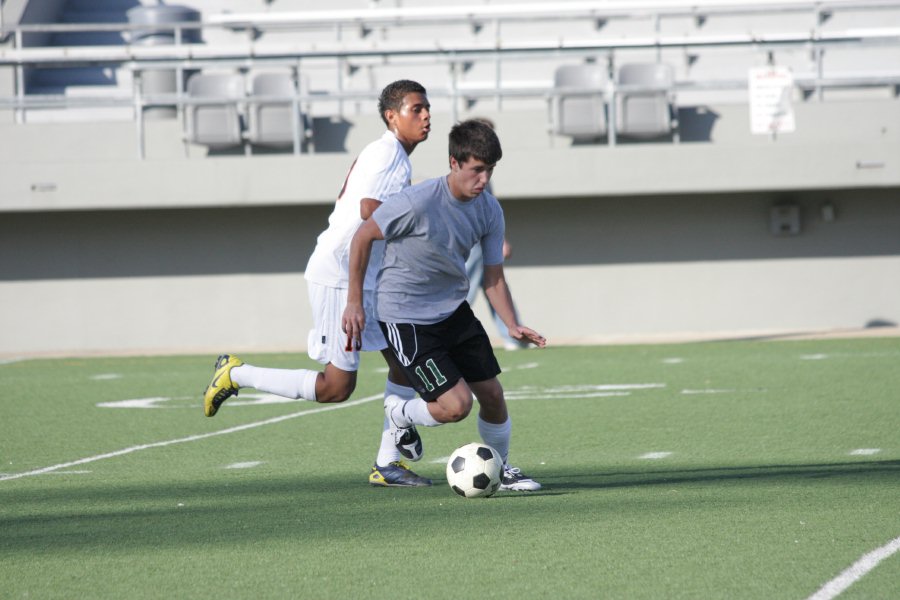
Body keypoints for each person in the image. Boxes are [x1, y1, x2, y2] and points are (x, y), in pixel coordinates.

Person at [203, 80, 433, 487]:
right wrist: (419, 229)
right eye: (416, 109)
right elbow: (369, 211)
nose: (426, 116)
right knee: (336, 387)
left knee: (403, 361)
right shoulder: (386, 153)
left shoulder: (397, 155)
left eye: (427, 108)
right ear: (391, 116)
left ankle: (388, 462)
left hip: (364, 278)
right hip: (341, 279)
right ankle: (236, 374)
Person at [343, 119, 546, 491]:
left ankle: (500, 470)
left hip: (453, 311)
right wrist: (355, 302)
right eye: (477, 170)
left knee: (493, 396)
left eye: (490, 170)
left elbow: (493, 277)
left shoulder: (489, 210)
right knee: (456, 406)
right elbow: (363, 236)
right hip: (405, 318)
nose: (484, 180)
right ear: (454, 163)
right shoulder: (417, 202)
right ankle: (400, 412)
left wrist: (512, 324)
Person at [464, 118, 527, 351]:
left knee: (494, 284)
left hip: (481, 238)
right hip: (472, 240)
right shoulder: (470, 169)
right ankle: (447, 335)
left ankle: (512, 334)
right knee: (465, 291)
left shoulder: (483, 168)